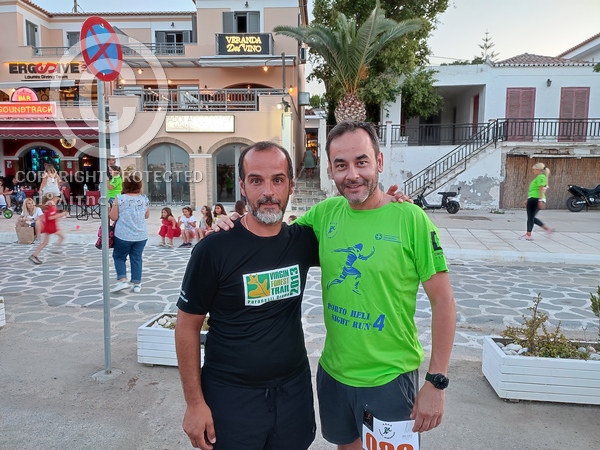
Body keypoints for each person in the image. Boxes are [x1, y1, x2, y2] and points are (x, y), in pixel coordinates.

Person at [292, 120, 456, 448]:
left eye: (362, 161)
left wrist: (436, 382)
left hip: (389, 380)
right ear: (330, 170)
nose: (352, 174)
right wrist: (232, 224)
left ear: (379, 161)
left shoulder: (411, 219)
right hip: (334, 375)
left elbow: (444, 302)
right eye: (341, 165)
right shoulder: (324, 214)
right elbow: (273, 239)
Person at [175, 142, 319, 450]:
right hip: (230, 396)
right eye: (256, 180)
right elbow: (186, 327)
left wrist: (391, 203)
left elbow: (354, 229)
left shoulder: (304, 241)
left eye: (278, 180)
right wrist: (194, 403)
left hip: (293, 393)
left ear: (291, 186)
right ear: (242, 186)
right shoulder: (213, 249)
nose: (268, 191)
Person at [109, 171, 150, 293]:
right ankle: (137, 284)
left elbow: (113, 217)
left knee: (119, 257)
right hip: (141, 235)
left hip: (123, 235)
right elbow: (147, 215)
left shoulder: (119, 199)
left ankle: (122, 280)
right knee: (136, 258)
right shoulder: (144, 199)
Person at [519, 162, 554, 241]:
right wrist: (528, 199)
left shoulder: (541, 177)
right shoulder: (540, 177)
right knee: (531, 217)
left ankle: (528, 235)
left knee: (530, 218)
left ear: (539, 170)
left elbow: (540, 189)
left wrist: (540, 200)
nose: (533, 171)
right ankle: (546, 229)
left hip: (535, 199)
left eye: (534, 170)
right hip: (533, 198)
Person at [29, 196, 67, 264]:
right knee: (61, 237)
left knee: (46, 242)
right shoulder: (50, 207)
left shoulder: (50, 206)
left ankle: (35, 255)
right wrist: (61, 214)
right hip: (51, 227)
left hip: (51, 226)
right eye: (56, 198)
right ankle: (55, 249)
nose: (57, 200)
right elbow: (50, 217)